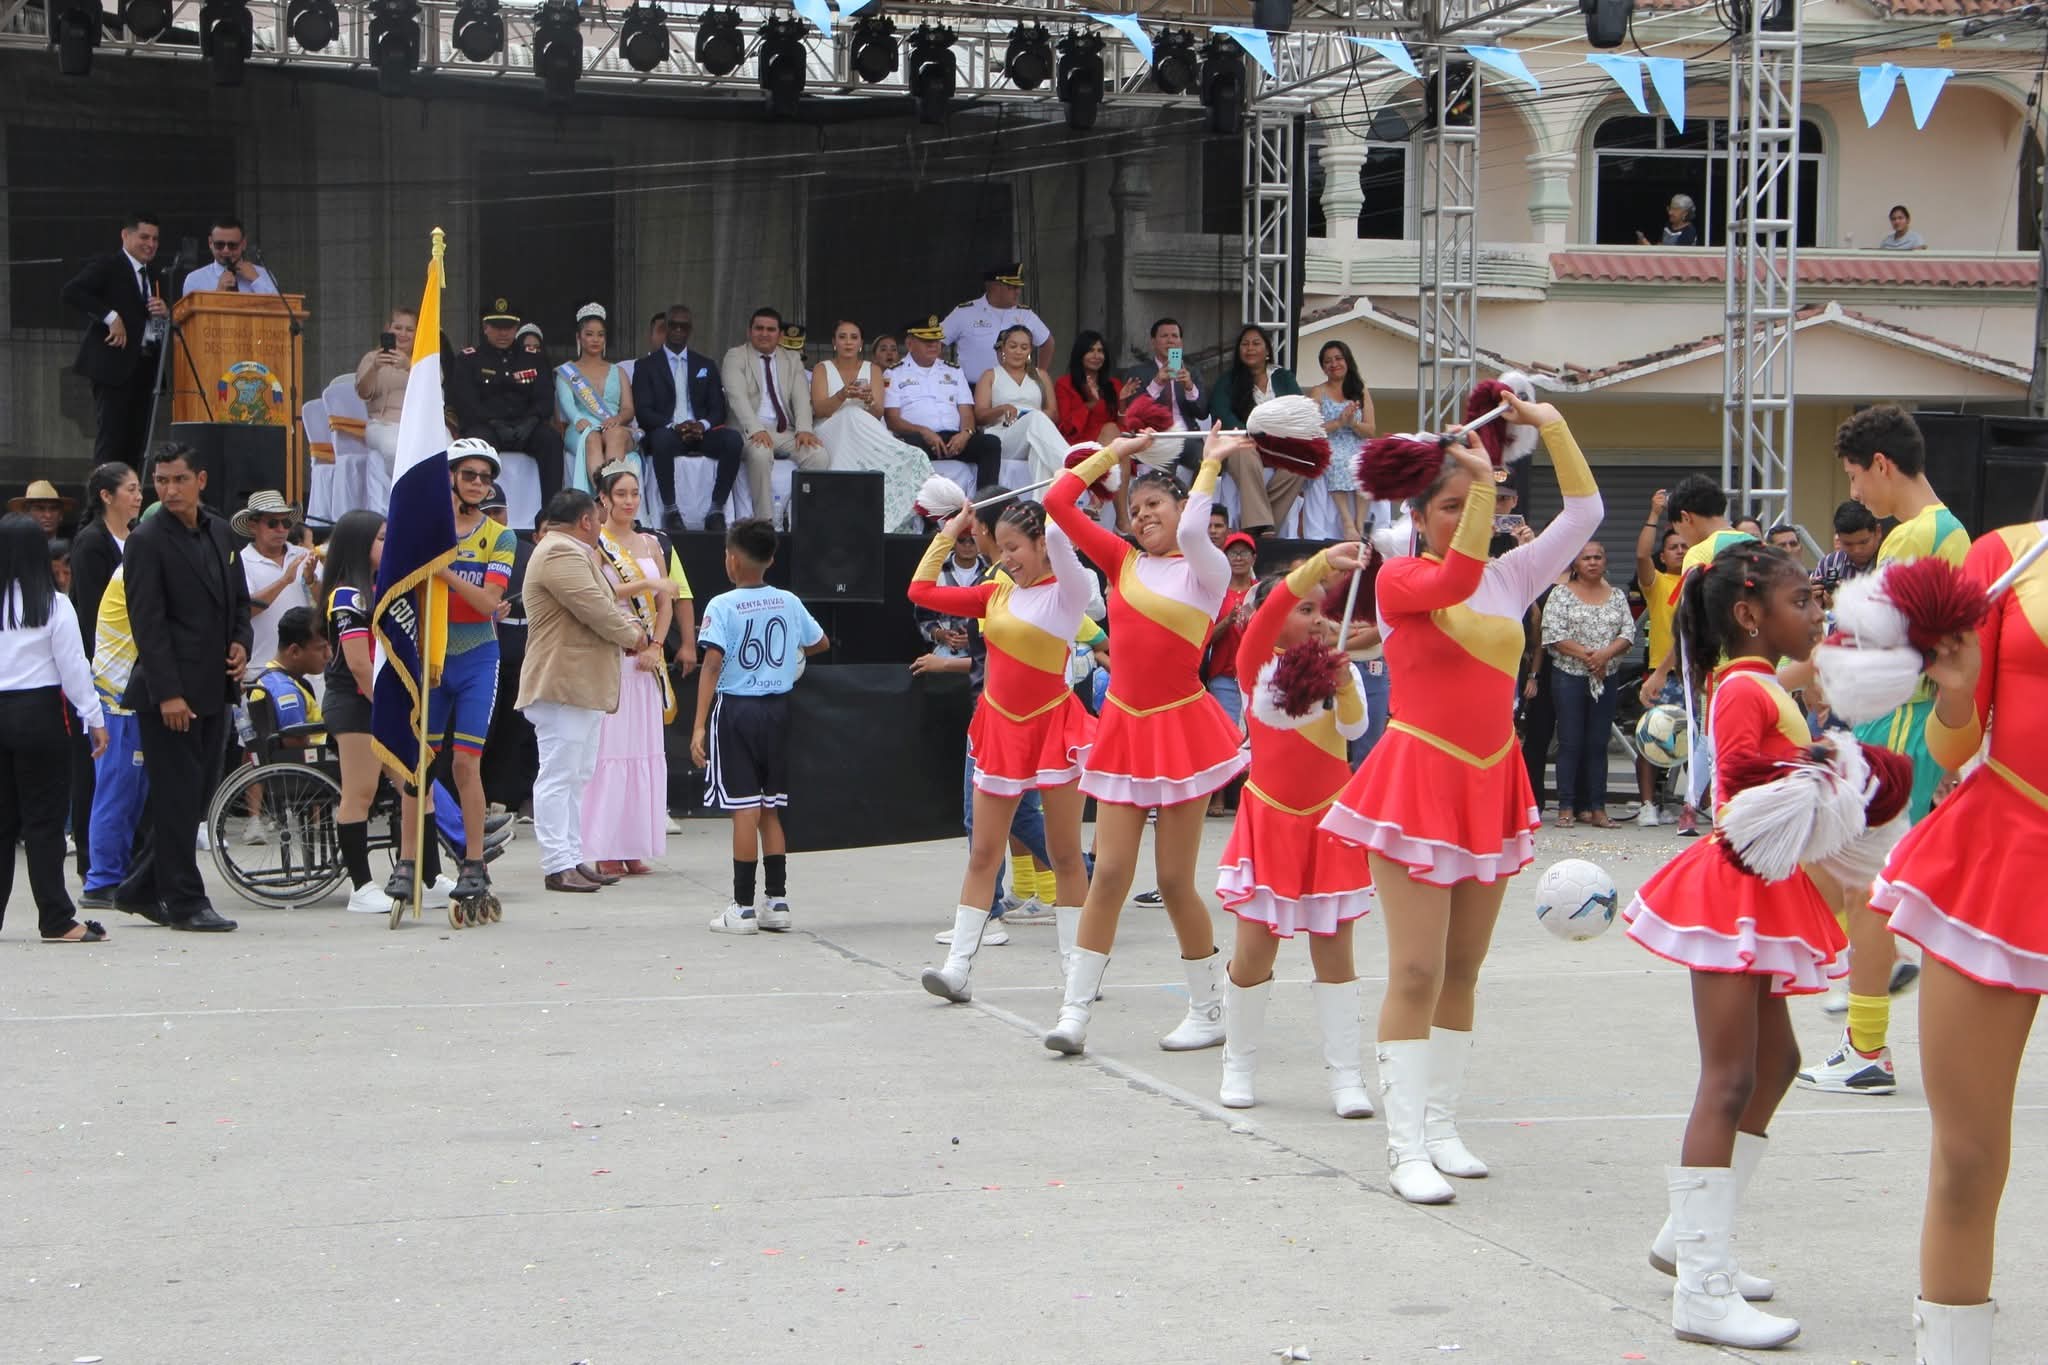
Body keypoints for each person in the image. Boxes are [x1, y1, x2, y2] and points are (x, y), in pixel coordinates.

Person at [1320, 392, 1602, 1205]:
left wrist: (1550, 424)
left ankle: (1441, 1125)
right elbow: (1454, 577)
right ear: (1417, 515)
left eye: (1469, 502)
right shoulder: (1402, 579)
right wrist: (1482, 487)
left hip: (1490, 778)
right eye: (1447, 505)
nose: (1462, 515)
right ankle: (1405, 1143)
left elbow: (1586, 512)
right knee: (1415, 967)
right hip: (1418, 780)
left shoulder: (1514, 575)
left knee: (1463, 967)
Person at [1622, 540, 1842, 1351]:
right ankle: (1702, 1290)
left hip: (1762, 881)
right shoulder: (1744, 684)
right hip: (1734, 885)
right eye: (1801, 601)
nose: (1815, 611)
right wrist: (1818, 763)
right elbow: (1741, 772)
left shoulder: (1759, 678)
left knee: (1775, 1063)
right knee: (1728, 1079)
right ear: (1750, 614)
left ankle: (1688, 1237)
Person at [1870, 522, 2044, 1362]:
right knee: (1968, 1158)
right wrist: (1959, 686)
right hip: (2002, 858)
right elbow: (1955, 745)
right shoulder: (2012, 555)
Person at [1040, 431, 1252, 1056]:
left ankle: (1207, 1010)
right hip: (1124, 729)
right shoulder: (1121, 562)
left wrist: (1211, 463)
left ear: (1183, 508)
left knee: (1175, 880)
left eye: (1154, 504)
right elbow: (1057, 502)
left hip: (1181, 730)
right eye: (1134, 509)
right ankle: (1074, 1012)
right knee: (1108, 874)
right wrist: (1115, 452)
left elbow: (1195, 533)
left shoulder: (1206, 569)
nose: (1141, 516)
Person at [1796, 404, 1970, 1098]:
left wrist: (1799, 672)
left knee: (1862, 882)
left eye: (1854, 476)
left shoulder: (1915, 536)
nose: (1855, 491)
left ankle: (1867, 1047)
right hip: (1907, 721)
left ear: (1881, 464)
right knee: (1839, 868)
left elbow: (1877, 639)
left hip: (1897, 721)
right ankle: (1879, 966)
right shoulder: (1948, 530)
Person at [907, 500, 1094, 1002]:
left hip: (1053, 727)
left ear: (1043, 545)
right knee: (984, 852)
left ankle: (1077, 971)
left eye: (1015, 547)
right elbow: (920, 591)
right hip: (1000, 729)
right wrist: (949, 533)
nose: (1006, 557)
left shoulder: (1069, 593)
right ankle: (957, 968)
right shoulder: (995, 593)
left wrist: (1061, 504)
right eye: (1001, 547)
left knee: (1065, 855)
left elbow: (1062, 537)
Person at [1215, 547, 1377, 1116]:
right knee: (1254, 953)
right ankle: (1238, 1064)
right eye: (1304, 609)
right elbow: (1272, 608)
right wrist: (1323, 563)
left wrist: (1344, 680)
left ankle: (1346, 1077)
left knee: (1334, 952)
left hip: (1329, 823)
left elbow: (1355, 729)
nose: (1316, 618)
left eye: (1320, 610)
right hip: (1270, 821)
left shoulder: (1337, 664)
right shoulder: (1256, 663)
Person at [114, 443, 251, 933]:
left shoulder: (220, 530)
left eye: (179, 479)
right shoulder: (146, 540)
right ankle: (186, 900)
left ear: (201, 480)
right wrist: (168, 693)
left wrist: (241, 642)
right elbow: (147, 623)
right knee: (176, 798)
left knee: (195, 797)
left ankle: (139, 888)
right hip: (169, 692)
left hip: (216, 685)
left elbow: (238, 600)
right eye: (161, 481)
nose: (169, 490)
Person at [388, 440, 518, 912]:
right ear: (451, 478)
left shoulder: (500, 537)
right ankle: (407, 862)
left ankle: (474, 861)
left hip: (478, 659)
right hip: (432, 659)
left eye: (486, 477)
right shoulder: (429, 531)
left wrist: (443, 571)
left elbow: (487, 603)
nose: (479, 484)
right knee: (417, 766)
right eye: (470, 475)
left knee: (465, 765)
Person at [690, 518, 829, 933]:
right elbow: (820, 642)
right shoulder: (788, 601)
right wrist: (786, 657)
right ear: (771, 559)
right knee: (771, 809)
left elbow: (712, 664)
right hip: (779, 710)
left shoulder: (722, 605)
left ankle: (742, 907)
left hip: (738, 710)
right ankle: (778, 902)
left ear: (731, 560)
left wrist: (698, 726)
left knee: (744, 810)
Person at [518, 489, 653, 894]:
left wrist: (629, 632)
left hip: (578, 683)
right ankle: (557, 864)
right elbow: (595, 607)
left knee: (576, 776)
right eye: (598, 517)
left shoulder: (571, 551)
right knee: (559, 775)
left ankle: (572, 857)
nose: (601, 525)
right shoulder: (560, 552)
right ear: (585, 521)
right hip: (564, 682)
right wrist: (633, 635)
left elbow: (600, 605)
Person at [0, 513, 108, 942]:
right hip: (40, 714)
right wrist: (94, 718)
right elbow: (73, 667)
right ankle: (56, 918)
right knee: (44, 822)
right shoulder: (54, 604)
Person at [1637, 473, 1756, 837]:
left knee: (1720, 750)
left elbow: (1691, 625)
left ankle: (1723, 830)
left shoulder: (1701, 555)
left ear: (1686, 518)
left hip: (1724, 670)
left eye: (1678, 528)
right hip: (1768, 667)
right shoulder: (1760, 546)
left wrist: (1662, 672)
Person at [581, 465, 673, 877]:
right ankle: (605, 846)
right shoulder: (595, 545)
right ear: (604, 499)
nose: (629, 501)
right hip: (612, 656)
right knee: (610, 752)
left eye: (634, 493)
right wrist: (644, 588)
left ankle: (634, 845)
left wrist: (656, 646)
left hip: (646, 661)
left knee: (642, 750)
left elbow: (667, 600)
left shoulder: (652, 544)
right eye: (621, 494)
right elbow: (598, 593)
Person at [319, 509, 395, 915]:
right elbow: (358, 664)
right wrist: (386, 704)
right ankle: (361, 886)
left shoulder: (383, 587)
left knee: (416, 786)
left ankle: (428, 875)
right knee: (360, 793)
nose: (388, 544)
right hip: (355, 701)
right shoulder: (348, 595)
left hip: (383, 697)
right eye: (381, 538)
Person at [67, 461, 139, 878]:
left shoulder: (138, 538)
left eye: (138, 488)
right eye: (130, 489)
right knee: (96, 770)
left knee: (129, 774)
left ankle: (125, 857)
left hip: (135, 666)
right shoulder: (91, 542)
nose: (138, 495)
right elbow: (93, 614)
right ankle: (91, 861)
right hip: (103, 667)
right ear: (106, 496)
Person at [809, 319, 936, 533]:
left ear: (861, 343)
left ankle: (922, 516)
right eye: (842, 337)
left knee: (914, 456)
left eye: (853, 337)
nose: (848, 342)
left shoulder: (873, 369)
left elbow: (877, 414)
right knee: (850, 412)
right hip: (831, 429)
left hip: (864, 430)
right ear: (834, 342)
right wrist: (842, 395)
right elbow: (820, 410)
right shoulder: (822, 368)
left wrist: (868, 400)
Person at [64, 211, 168, 467]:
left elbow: (158, 323)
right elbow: (72, 292)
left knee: (138, 442)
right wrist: (111, 317)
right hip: (114, 367)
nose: (151, 244)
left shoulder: (156, 274)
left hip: (146, 366)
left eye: (155, 239)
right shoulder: (109, 265)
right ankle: (104, 492)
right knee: (112, 440)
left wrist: (165, 314)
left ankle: (130, 491)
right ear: (126, 235)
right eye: (144, 237)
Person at [1543, 542, 1634, 828]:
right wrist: (1591, 657)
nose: (1592, 562)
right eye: (1586, 558)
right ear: (1575, 563)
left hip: (1606, 676)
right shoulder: (1560, 594)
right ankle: (1566, 807)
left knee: (1598, 743)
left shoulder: (1617, 595)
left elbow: (1628, 633)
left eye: (1598, 557)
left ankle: (1598, 808)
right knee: (1570, 742)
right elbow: (1554, 635)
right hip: (1569, 676)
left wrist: (1605, 656)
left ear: (1605, 562)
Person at [632, 303, 743, 533]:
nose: (678, 330)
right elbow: (643, 411)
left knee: (733, 440)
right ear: (665, 327)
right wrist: (674, 426)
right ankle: (671, 511)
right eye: (673, 325)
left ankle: (716, 509)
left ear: (690, 330)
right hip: (668, 432)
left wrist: (702, 425)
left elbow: (718, 408)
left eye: (684, 326)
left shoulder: (705, 364)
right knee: (661, 439)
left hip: (700, 433)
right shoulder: (645, 366)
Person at [449, 298, 566, 507]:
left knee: (551, 441)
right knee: (477, 445)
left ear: (516, 327)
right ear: (485, 327)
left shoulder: (534, 358)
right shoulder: (469, 360)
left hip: (526, 427)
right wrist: (494, 423)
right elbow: (465, 402)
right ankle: (477, 507)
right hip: (486, 426)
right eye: (497, 327)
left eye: (509, 327)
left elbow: (545, 397)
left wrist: (530, 422)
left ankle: (553, 511)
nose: (503, 333)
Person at [719, 307, 829, 527]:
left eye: (770, 329)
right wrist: (755, 429)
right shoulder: (735, 356)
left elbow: (801, 397)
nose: (764, 333)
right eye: (759, 328)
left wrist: (804, 429)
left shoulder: (792, 358)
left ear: (779, 334)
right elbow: (737, 397)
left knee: (818, 456)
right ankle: (765, 521)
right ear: (749, 331)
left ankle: (802, 518)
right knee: (760, 453)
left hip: (784, 431)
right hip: (748, 431)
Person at [1207, 324, 1305, 536]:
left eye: (1256, 343)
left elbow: (1298, 408)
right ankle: (1260, 526)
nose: (1250, 348)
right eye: (1245, 344)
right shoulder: (1228, 380)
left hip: (1278, 443)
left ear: (1267, 349)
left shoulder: (1283, 377)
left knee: (1301, 462)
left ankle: (1262, 525)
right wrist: (1248, 432)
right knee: (1244, 452)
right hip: (1244, 441)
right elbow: (1221, 412)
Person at [479, 488, 540, 820]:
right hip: (482, 642)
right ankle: (477, 796)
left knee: (519, 725)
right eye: (486, 513)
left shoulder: (527, 552)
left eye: (497, 512)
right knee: (483, 725)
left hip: (523, 640)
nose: (494, 520)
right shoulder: (470, 549)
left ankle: (508, 796)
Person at [887, 315, 1001, 491]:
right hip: (918, 439)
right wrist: (923, 431)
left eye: (937, 340)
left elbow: (966, 410)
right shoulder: (894, 373)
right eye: (926, 341)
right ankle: (919, 506)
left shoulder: (954, 370)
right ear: (909, 344)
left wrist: (966, 433)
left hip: (953, 438)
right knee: (911, 447)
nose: (933, 345)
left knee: (991, 443)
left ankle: (986, 501)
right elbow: (892, 420)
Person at [1631, 491, 1687, 827]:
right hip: (1662, 676)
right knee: (1652, 739)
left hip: (1696, 675)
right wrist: (1654, 513)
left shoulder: (1702, 582)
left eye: (1685, 546)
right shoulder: (1657, 582)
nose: (1680, 551)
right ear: (1663, 555)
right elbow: (1641, 554)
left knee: (1690, 743)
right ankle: (1647, 804)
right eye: (1673, 547)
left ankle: (1683, 804)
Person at [231, 491, 317, 684]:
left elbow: (325, 602)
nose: (281, 529)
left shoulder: (304, 555)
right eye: (272, 523)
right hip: (261, 669)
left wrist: (311, 580)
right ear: (253, 526)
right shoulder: (241, 562)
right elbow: (244, 610)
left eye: (285, 523)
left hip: (307, 668)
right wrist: (284, 580)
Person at [556, 303, 640, 492]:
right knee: (592, 438)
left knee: (615, 434)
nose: (595, 339)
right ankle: (603, 495)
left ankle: (612, 494)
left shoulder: (618, 372)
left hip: (612, 426)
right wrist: (578, 419)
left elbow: (628, 409)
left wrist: (617, 419)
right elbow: (567, 404)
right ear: (578, 337)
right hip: (581, 427)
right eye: (589, 334)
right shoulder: (567, 372)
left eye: (600, 335)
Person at [973, 324, 1070, 486]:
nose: (1018, 351)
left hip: (1034, 433)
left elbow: (1053, 414)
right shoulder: (990, 375)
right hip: (1003, 436)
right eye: (1013, 346)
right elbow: (979, 416)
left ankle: (1043, 501)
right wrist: (1002, 409)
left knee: (1039, 454)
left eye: (1024, 347)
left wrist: (1027, 417)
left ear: (1030, 350)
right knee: (1035, 419)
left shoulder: (1041, 375)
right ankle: (1074, 467)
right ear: (1003, 348)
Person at [941, 261, 1054, 384]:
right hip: (972, 388)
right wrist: (943, 378)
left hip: (1015, 388)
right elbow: (936, 343)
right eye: (1012, 287)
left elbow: (1047, 343)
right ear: (995, 287)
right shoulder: (965, 312)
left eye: (1018, 287)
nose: (1018, 292)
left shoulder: (1025, 314)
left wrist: (1038, 377)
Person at [1306, 340, 1375, 540]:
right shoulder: (1318, 392)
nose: (1334, 364)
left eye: (1338, 358)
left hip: (1357, 440)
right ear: (1323, 367)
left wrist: (1352, 423)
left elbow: (1371, 430)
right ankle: (1347, 522)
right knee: (1338, 459)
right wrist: (1338, 422)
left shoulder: (1361, 389)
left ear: (1347, 361)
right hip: (1329, 442)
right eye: (1328, 361)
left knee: (1365, 461)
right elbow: (1312, 429)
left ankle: (1360, 522)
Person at [240, 606, 329, 755]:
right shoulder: (285, 691)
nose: (328, 654)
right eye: (321, 648)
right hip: (318, 762)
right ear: (295, 651)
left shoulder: (269, 678)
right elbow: (296, 745)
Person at [355, 307, 417, 472]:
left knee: (446, 446)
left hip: (418, 425)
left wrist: (409, 366)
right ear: (388, 329)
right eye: (398, 328)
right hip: (382, 424)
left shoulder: (423, 361)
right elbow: (363, 393)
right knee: (394, 447)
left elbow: (436, 384)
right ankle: (403, 486)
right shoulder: (371, 358)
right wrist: (375, 368)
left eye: (409, 329)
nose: (403, 334)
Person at [180, 216, 279, 297]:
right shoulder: (195, 279)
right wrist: (218, 293)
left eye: (232, 245)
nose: (226, 250)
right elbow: (193, 315)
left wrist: (256, 280)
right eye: (219, 245)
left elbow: (279, 309)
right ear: (210, 243)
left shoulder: (264, 274)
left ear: (243, 244)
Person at [1811, 499, 1882, 591]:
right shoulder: (1829, 564)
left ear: (1878, 532)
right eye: (1848, 544)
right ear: (1838, 538)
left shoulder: (1891, 561)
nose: (1857, 550)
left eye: (1863, 542)